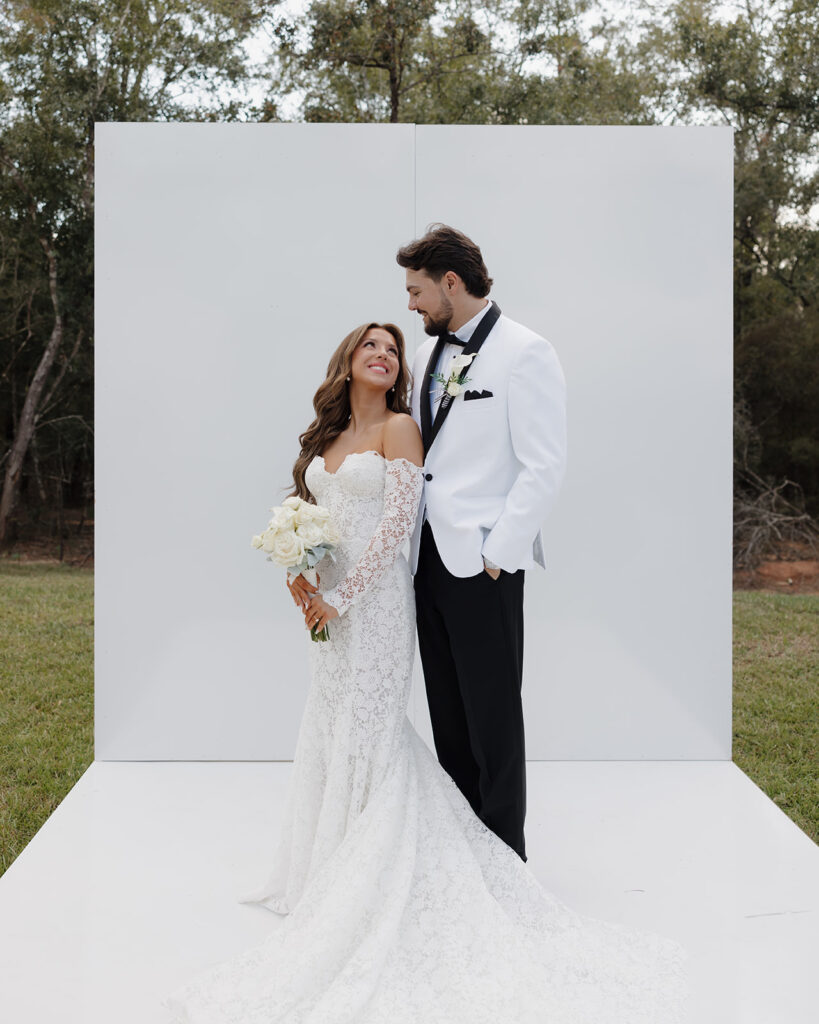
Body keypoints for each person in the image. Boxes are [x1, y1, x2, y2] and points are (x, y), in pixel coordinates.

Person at [162, 311, 688, 1022]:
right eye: (369, 345)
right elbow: (304, 511)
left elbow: (395, 527)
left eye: (392, 347)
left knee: (374, 729)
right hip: (328, 609)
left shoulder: (401, 430)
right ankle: (326, 867)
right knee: (329, 720)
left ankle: (394, 875)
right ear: (347, 363)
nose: (382, 352)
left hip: (373, 608)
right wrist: (298, 574)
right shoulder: (326, 439)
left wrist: (344, 596)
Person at [398, 223, 567, 863]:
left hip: (484, 562)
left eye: (417, 292)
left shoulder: (526, 351)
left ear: (450, 283)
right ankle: (467, 850)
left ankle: (506, 856)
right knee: (447, 709)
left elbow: (544, 464)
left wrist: (500, 553)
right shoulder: (428, 353)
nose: (411, 306)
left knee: (494, 713)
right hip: (426, 560)